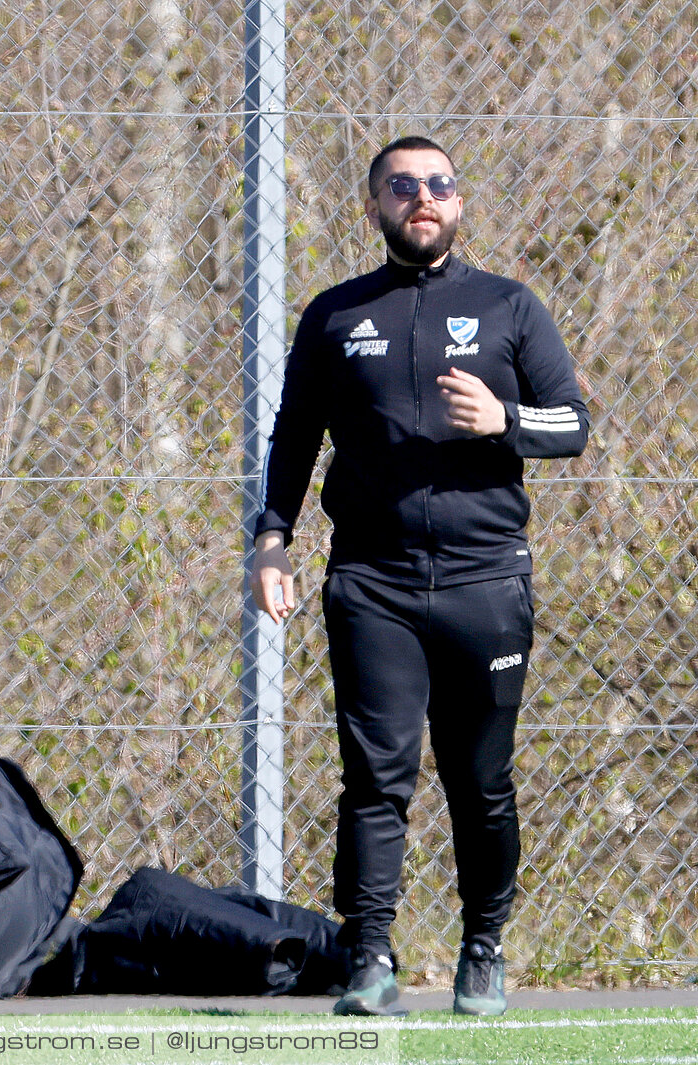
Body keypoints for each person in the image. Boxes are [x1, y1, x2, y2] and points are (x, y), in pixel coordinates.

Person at [251, 135, 590, 1018]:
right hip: (373, 583)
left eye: (439, 183)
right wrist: (272, 538)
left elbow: (574, 423)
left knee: (480, 781)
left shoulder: (510, 305)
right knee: (375, 778)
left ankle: (484, 947)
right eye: (402, 186)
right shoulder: (335, 314)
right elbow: (293, 437)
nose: (423, 197)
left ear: (459, 201)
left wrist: (503, 417)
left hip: (486, 583)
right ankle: (368, 958)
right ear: (375, 206)